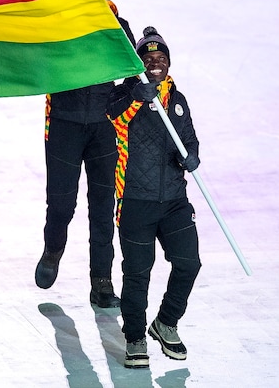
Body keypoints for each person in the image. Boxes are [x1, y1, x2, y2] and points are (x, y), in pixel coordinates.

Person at [34, 0, 137, 309]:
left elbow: (132, 76)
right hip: (63, 124)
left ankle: (101, 282)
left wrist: (121, 103)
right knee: (61, 203)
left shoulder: (118, 28)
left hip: (104, 130)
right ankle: (52, 250)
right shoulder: (57, 25)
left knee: (102, 208)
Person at [106, 26, 202, 368]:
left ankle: (166, 322)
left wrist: (191, 156)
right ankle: (135, 338)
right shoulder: (124, 95)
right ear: (140, 63)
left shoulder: (176, 100)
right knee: (137, 273)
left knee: (189, 263)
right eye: (149, 58)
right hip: (135, 201)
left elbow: (189, 139)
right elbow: (111, 120)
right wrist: (137, 97)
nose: (156, 63)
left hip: (175, 200)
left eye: (161, 58)